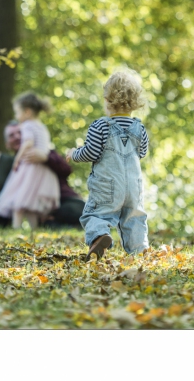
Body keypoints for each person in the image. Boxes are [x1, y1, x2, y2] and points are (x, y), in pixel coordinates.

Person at [66, 69, 150, 261]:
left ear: (108, 100)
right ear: (135, 102)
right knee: (134, 217)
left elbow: (91, 152)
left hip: (108, 184)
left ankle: (99, 235)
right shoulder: (139, 127)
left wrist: (74, 153)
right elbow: (142, 153)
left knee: (95, 214)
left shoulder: (100, 126)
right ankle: (140, 250)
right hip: (133, 186)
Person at [0, 92, 60, 230]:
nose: (16, 116)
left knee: (19, 200)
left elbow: (28, 143)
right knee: (31, 204)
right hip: (42, 169)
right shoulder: (41, 126)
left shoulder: (27, 125)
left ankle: (16, 228)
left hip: (29, 167)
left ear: (27, 112)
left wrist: (17, 159)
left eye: (17, 112)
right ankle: (34, 229)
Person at [4, 121, 86, 228]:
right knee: (47, 225)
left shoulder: (44, 151)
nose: (17, 137)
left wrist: (46, 158)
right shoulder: (13, 166)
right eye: (11, 135)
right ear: (7, 144)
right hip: (41, 212)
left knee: (73, 212)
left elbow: (67, 169)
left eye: (20, 132)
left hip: (64, 201)